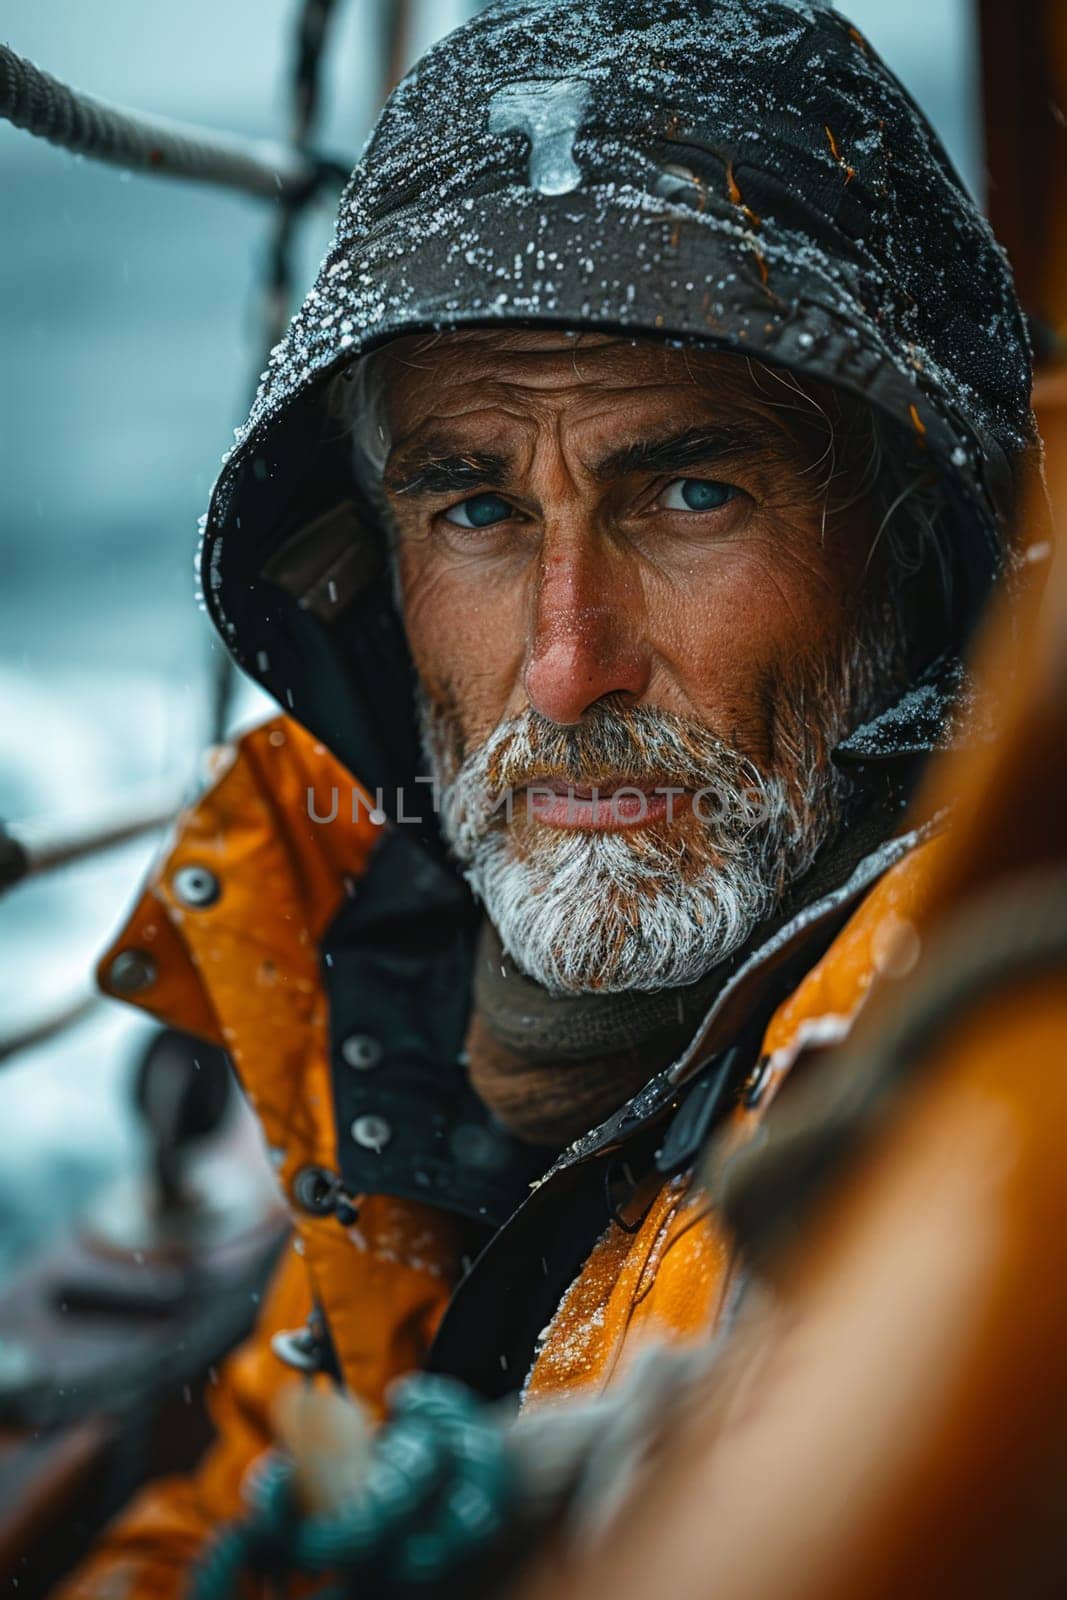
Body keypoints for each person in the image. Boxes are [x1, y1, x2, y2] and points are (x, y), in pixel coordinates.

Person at [59, 0, 1043, 1592]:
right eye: (474, 508)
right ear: (375, 576)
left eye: (693, 490)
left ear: (917, 557)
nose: (568, 664)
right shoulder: (375, 967)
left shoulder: (979, 1059)